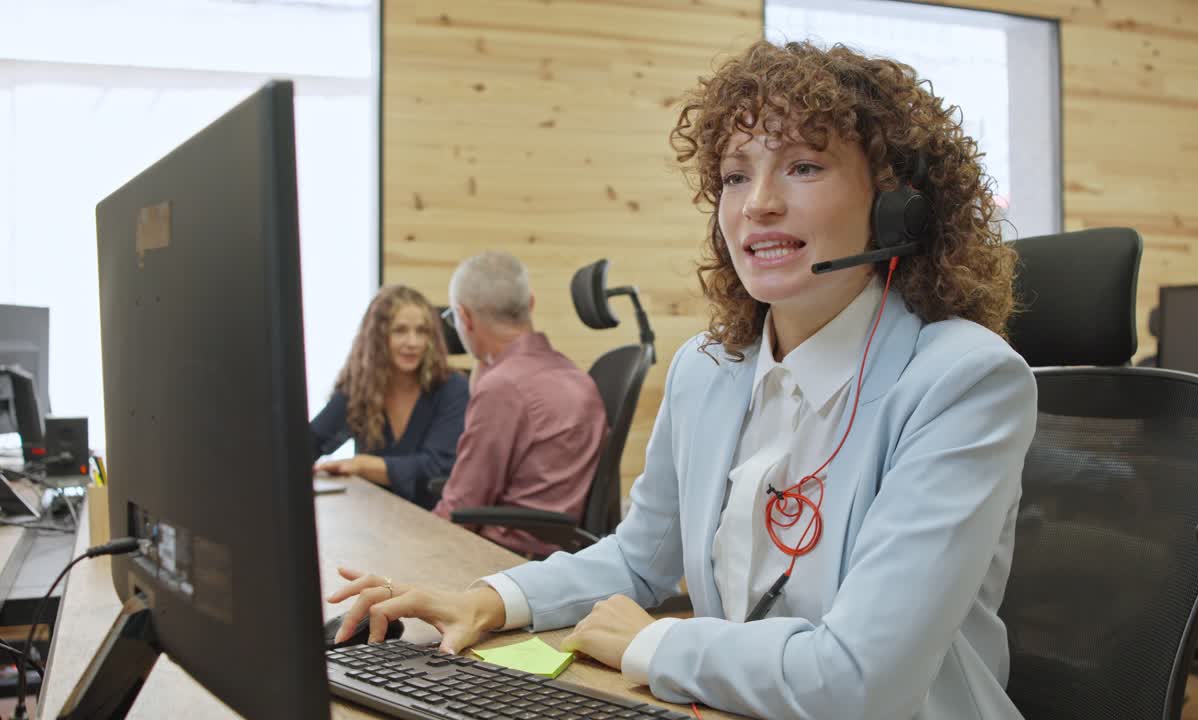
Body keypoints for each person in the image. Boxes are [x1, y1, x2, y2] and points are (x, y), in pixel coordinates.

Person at [328, 40, 1037, 720]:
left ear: (895, 205)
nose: (757, 202)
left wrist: (651, 643)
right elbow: (639, 561)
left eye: (803, 167)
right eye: (735, 175)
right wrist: (487, 599)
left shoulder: (964, 383)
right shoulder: (709, 368)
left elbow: (862, 681)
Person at [431, 251, 608, 558]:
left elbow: (461, 509)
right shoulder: (575, 375)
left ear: (465, 318)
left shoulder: (503, 389)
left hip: (502, 558)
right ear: (531, 304)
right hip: (559, 554)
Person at [312, 285, 468, 509]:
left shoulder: (452, 388)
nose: (413, 342)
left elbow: (436, 467)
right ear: (377, 338)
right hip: (374, 520)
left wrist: (363, 465)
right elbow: (311, 442)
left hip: (434, 521)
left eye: (422, 331)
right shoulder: (359, 388)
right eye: (400, 331)